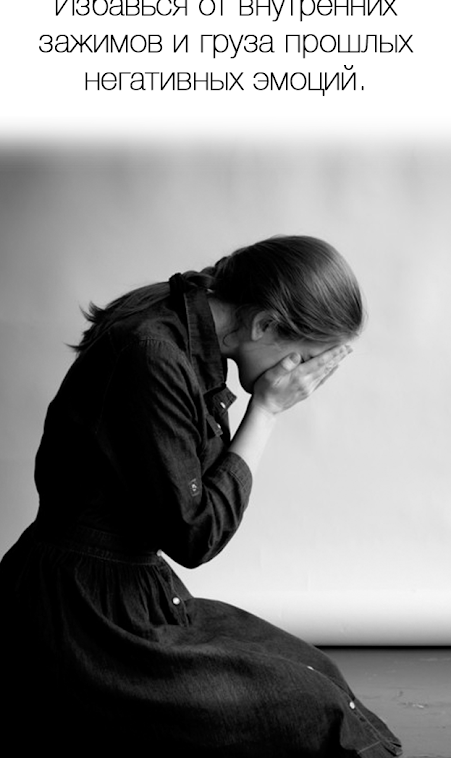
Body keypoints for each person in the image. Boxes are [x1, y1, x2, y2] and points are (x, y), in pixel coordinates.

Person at [0, 235, 402, 756]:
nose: (302, 377)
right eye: (303, 357)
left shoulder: (180, 319)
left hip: (128, 590)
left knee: (318, 673)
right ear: (264, 325)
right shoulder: (154, 353)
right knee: (311, 707)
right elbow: (196, 536)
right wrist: (266, 411)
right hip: (80, 616)